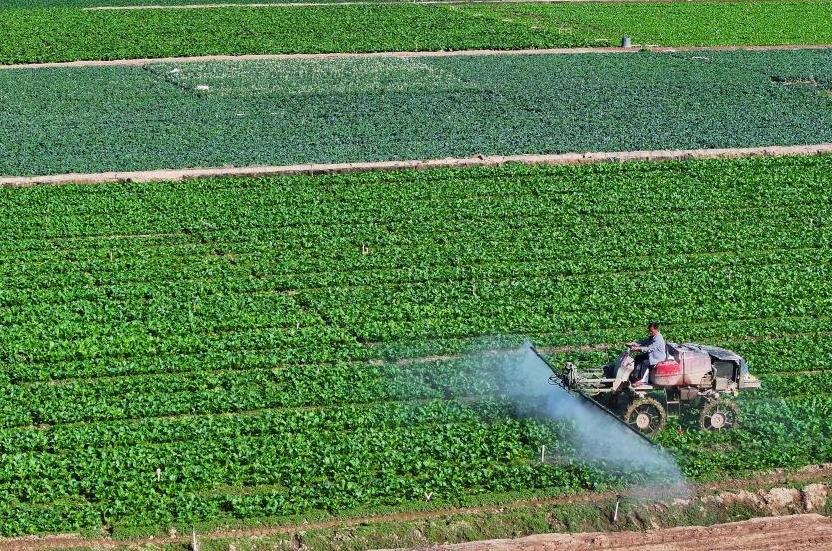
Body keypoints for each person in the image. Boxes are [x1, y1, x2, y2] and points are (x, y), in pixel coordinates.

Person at [627, 322, 666, 387]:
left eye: (651, 331)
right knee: (638, 358)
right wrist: (632, 343)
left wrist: (637, 348)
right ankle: (634, 376)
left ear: (656, 330)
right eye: (649, 331)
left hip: (657, 357)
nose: (650, 332)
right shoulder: (652, 337)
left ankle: (639, 380)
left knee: (645, 362)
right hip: (652, 355)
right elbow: (643, 342)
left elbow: (650, 348)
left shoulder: (658, 338)